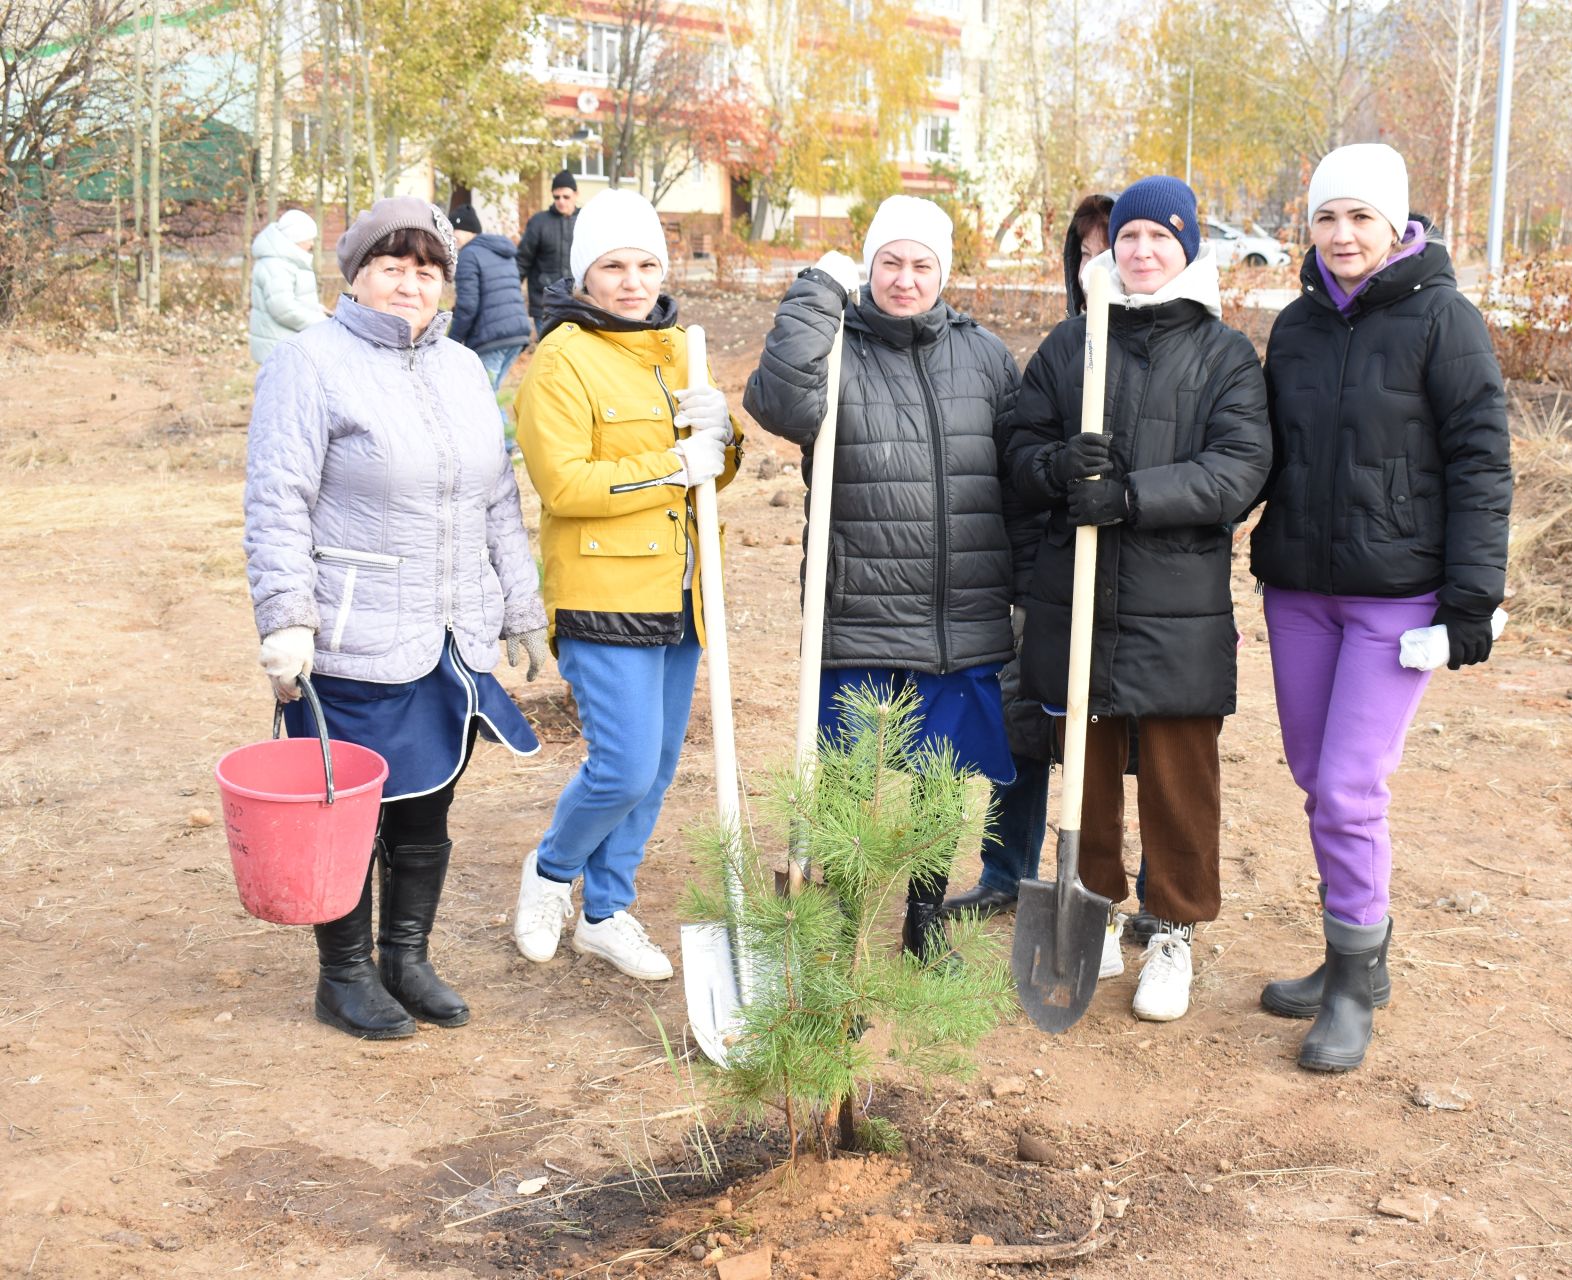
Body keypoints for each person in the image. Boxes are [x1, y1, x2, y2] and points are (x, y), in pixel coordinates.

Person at [244, 196, 548, 1040]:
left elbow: (496, 497)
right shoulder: (310, 364)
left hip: (450, 630)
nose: (409, 284)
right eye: (391, 265)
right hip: (351, 631)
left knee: (428, 806)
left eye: (426, 270)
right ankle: (342, 975)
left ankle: (405, 957)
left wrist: (520, 604)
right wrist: (285, 619)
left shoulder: (458, 368)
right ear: (357, 272)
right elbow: (277, 500)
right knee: (346, 810)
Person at [1250, 143, 1510, 1072]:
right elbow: (1259, 452)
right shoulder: (1295, 328)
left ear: (1398, 225)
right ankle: (1347, 958)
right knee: (1318, 778)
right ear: (1309, 227)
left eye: (1362, 216)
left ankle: (1356, 990)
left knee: (1353, 788)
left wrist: (1474, 599)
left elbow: (1482, 460)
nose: (1344, 234)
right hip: (1299, 593)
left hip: (1397, 600)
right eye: (1327, 217)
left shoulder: (1446, 322)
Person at [1006, 175, 1271, 1022]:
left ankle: (1174, 931)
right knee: (1083, 771)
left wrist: (1130, 496)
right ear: (1108, 249)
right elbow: (1018, 442)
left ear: (1188, 247)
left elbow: (1238, 469)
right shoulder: (1072, 344)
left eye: (1161, 238)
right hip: (1078, 598)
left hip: (1175, 606)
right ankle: (1096, 912)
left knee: (1177, 776)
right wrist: (1057, 470)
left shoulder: (1224, 354)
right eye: (1129, 239)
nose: (1144, 252)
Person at [743, 195, 1022, 963]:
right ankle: (840, 925)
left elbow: (1019, 468)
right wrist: (815, 293)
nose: (904, 279)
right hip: (858, 607)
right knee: (843, 780)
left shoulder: (985, 355)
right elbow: (777, 402)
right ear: (867, 267)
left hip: (957, 614)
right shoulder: (834, 345)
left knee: (941, 783)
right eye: (889, 262)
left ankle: (925, 921)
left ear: (944, 272)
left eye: (921, 264)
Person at [511, 189, 742, 981]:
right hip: (602, 589)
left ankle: (606, 912)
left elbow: (711, 476)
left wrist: (724, 436)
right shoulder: (560, 361)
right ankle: (549, 873)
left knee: (660, 766)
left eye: (646, 264)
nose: (633, 280)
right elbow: (564, 483)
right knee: (624, 764)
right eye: (613, 265)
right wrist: (672, 463)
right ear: (584, 275)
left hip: (680, 591)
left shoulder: (680, 349)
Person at [939, 192, 1114, 927]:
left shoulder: (1191, 344)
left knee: (1113, 744)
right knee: (1026, 725)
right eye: (1086, 251)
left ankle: (1123, 892)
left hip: (1135, 578)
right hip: (1047, 569)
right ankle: (1006, 869)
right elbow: (1017, 457)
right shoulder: (1062, 351)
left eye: (1113, 245)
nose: (1098, 263)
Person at [448, 204, 533, 406]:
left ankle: (507, 439)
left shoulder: (469, 254)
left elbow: (468, 305)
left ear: (465, 230)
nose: (451, 238)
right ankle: (505, 437)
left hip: (492, 337)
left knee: (485, 401)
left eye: (453, 232)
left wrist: (452, 341)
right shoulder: (501, 251)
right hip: (517, 333)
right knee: (492, 396)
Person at [249, 208, 329, 363]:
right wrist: (320, 321)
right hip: (278, 347)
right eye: (309, 238)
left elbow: (291, 297)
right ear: (296, 237)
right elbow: (283, 308)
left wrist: (316, 308)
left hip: (286, 344)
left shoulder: (285, 261)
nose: (312, 244)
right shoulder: (276, 265)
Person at [517, 171, 579, 327]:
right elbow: (522, 260)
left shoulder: (586, 221)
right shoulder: (539, 222)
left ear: (576, 194)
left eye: (566, 197)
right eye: (556, 197)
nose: (561, 202)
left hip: (580, 304)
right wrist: (510, 290)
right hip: (545, 305)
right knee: (548, 350)